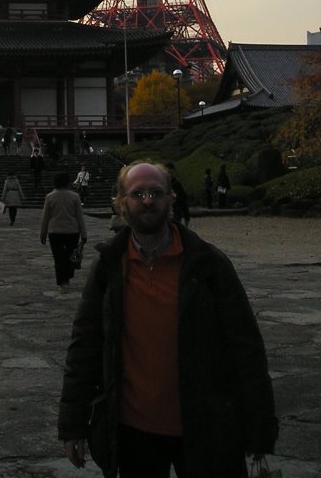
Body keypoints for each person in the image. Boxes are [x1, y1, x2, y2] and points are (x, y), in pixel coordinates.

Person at [58, 161, 278, 478]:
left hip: (205, 424)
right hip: (134, 430)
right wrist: (73, 424)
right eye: (137, 193)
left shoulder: (208, 265)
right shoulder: (109, 268)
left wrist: (259, 433)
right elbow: (85, 347)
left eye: (156, 192)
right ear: (120, 203)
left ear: (171, 199)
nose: (148, 200)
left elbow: (246, 350)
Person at [40, 172, 87, 293]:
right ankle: (67, 277)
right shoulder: (75, 196)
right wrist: (84, 234)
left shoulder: (50, 196)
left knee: (58, 257)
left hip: (55, 231)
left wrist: (43, 233)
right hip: (72, 230)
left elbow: (45, 217)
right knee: (70, 256)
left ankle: (62, 281)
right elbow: (79, 217)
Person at [166, 162, 190, 226]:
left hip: (176, 216)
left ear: (174, 173)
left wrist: (186, 217)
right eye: (168, 172)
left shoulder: (178, 185)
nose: (170, 174)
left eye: (172, 172)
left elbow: (184, 201)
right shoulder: (160, 185)